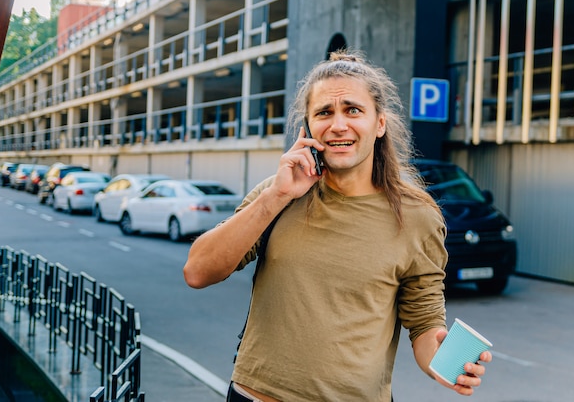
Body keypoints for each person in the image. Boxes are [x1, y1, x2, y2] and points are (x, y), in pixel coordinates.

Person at [183, 49, 491, 401]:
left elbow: (424, 322)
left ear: (379, 123)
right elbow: (197, 271)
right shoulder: (278, 194)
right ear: (308, 127)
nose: (338, 125)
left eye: (353, 110)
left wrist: (443, 360)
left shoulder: (417, 216)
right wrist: (275, 196)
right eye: (324, 113)